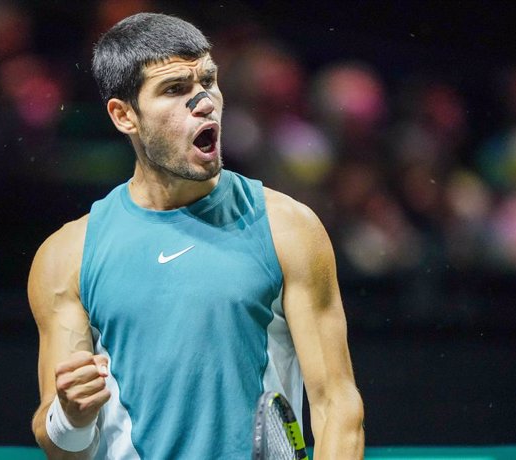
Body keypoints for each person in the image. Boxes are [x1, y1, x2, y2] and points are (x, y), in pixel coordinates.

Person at [28, 12, 364, 459]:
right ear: (124, 115)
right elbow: (62, 445)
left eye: (208, 80)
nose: (203, 102)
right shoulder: (67, 254)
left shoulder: (288, 228)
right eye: (175, 90)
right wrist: (70, 416)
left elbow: (337, 406)